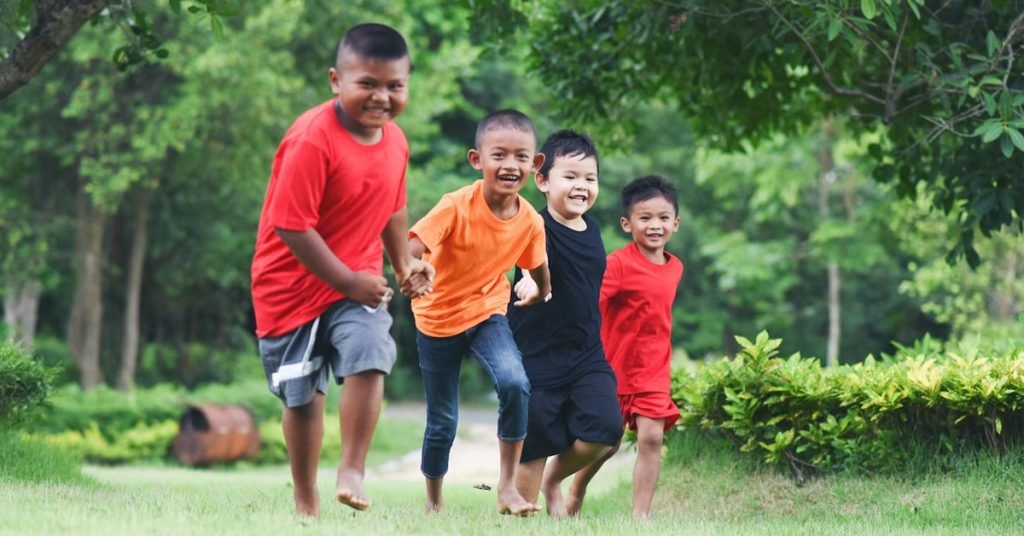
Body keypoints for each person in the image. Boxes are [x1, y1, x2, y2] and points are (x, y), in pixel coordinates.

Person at [250, 23, 433, 519]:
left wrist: (402, 263)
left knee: (371, 353)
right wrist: (348, 280)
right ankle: (305, 499)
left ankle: (352, 469)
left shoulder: (395, 142)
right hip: (288, 287)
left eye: (394, 86)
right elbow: (291, 226)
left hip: (357, 281)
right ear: (336, 80)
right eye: (367, 84)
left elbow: (393, 206)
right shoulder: (313, 138)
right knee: (303, 396)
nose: (382, 97)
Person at [408, 109, 552, 516]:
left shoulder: (529, 220)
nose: (510, 165)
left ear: (535, 163)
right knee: (443, 421)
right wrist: (412, 269)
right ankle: (434, 504)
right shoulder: (456, 205)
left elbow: (538, 264)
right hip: (436, 318)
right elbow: (413, 245)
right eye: (499, 155)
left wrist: (542, 291)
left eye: (521, 157)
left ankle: (507, 488)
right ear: (477, 160)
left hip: (488, 311)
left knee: (514, 382)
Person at [507, 130, 622, 518]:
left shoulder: (593, 231)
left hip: (585, 353)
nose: (581, 186)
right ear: (542, 180)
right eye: (570, 176)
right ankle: (522, 511)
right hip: (535, 357)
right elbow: (527, 259)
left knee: (606, 428)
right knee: (534, 443)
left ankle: (554, 480)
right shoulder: (534, 226)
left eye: (590, 179)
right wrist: (526, 278)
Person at [599, 175, 684, 520]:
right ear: (626, 223)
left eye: (663, 218)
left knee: (651, 438)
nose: (654, 225)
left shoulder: (675, 267)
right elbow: (590, 304)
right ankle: (573, 491)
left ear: (675, 224)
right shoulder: (617, 264)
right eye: (644, 218)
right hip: (613, 365)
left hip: (652, 368)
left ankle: (640, 516)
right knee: (604, 444)